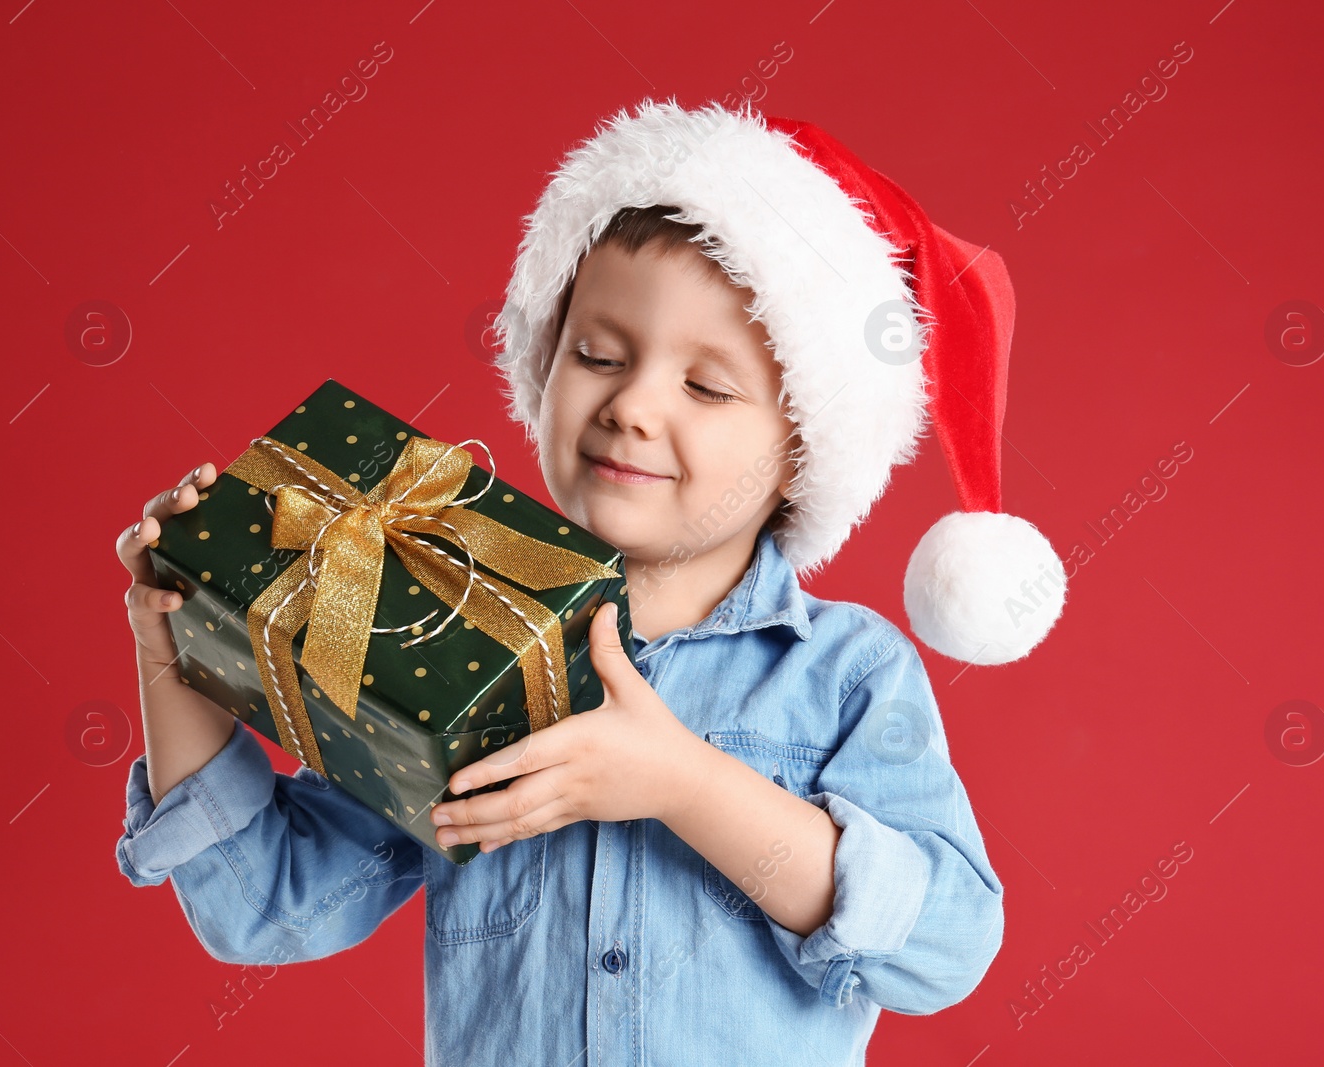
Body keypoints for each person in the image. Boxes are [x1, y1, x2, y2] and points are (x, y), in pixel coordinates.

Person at [114, 97, 1065, 1064]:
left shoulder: (846, 673)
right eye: (599, 355)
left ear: (801, 449)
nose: (632, 406)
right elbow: (268, 906)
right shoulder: (449, 640)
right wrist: (177, 652)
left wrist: (682, 783)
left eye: (706, 385)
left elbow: (944, 945)